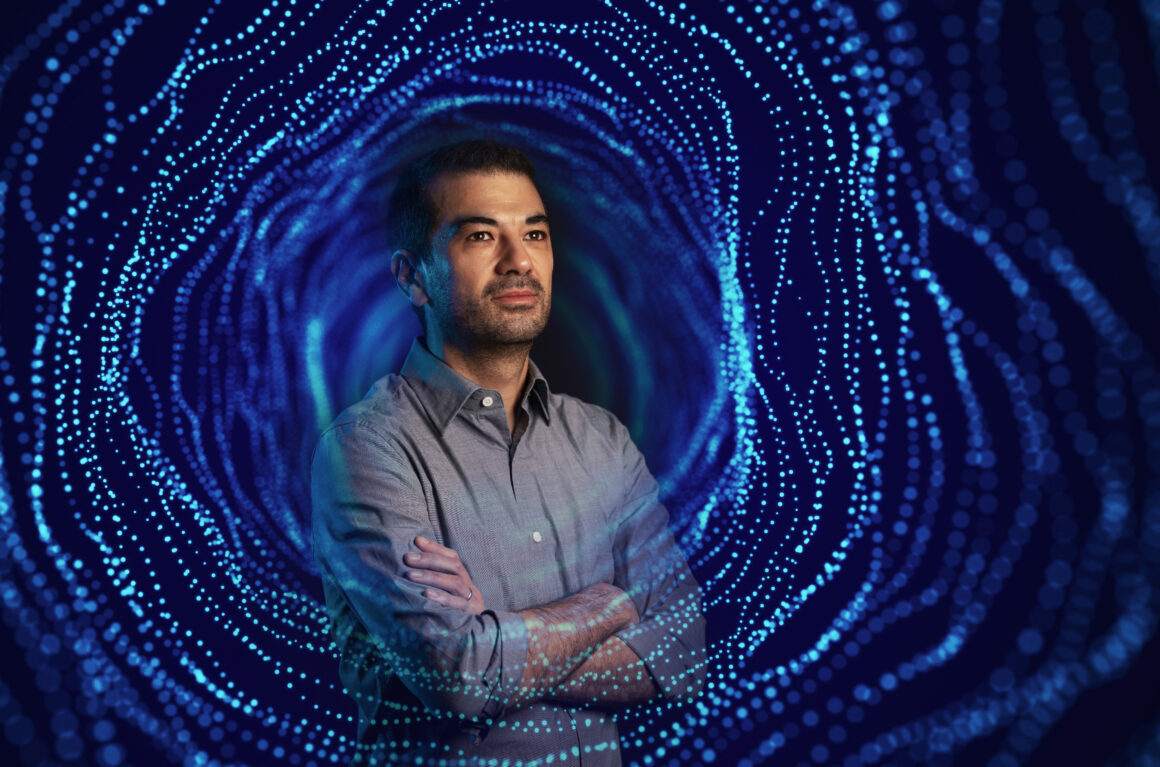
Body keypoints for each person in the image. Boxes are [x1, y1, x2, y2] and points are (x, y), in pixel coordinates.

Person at [310, 139, 707, 766]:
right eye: (480, 237)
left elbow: (682, 658)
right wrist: (606, 604)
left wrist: (497, 638)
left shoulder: (602, 441)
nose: (519, 261)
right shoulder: (367, 450)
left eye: (536, 235)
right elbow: (456, 680)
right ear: (412, 277)